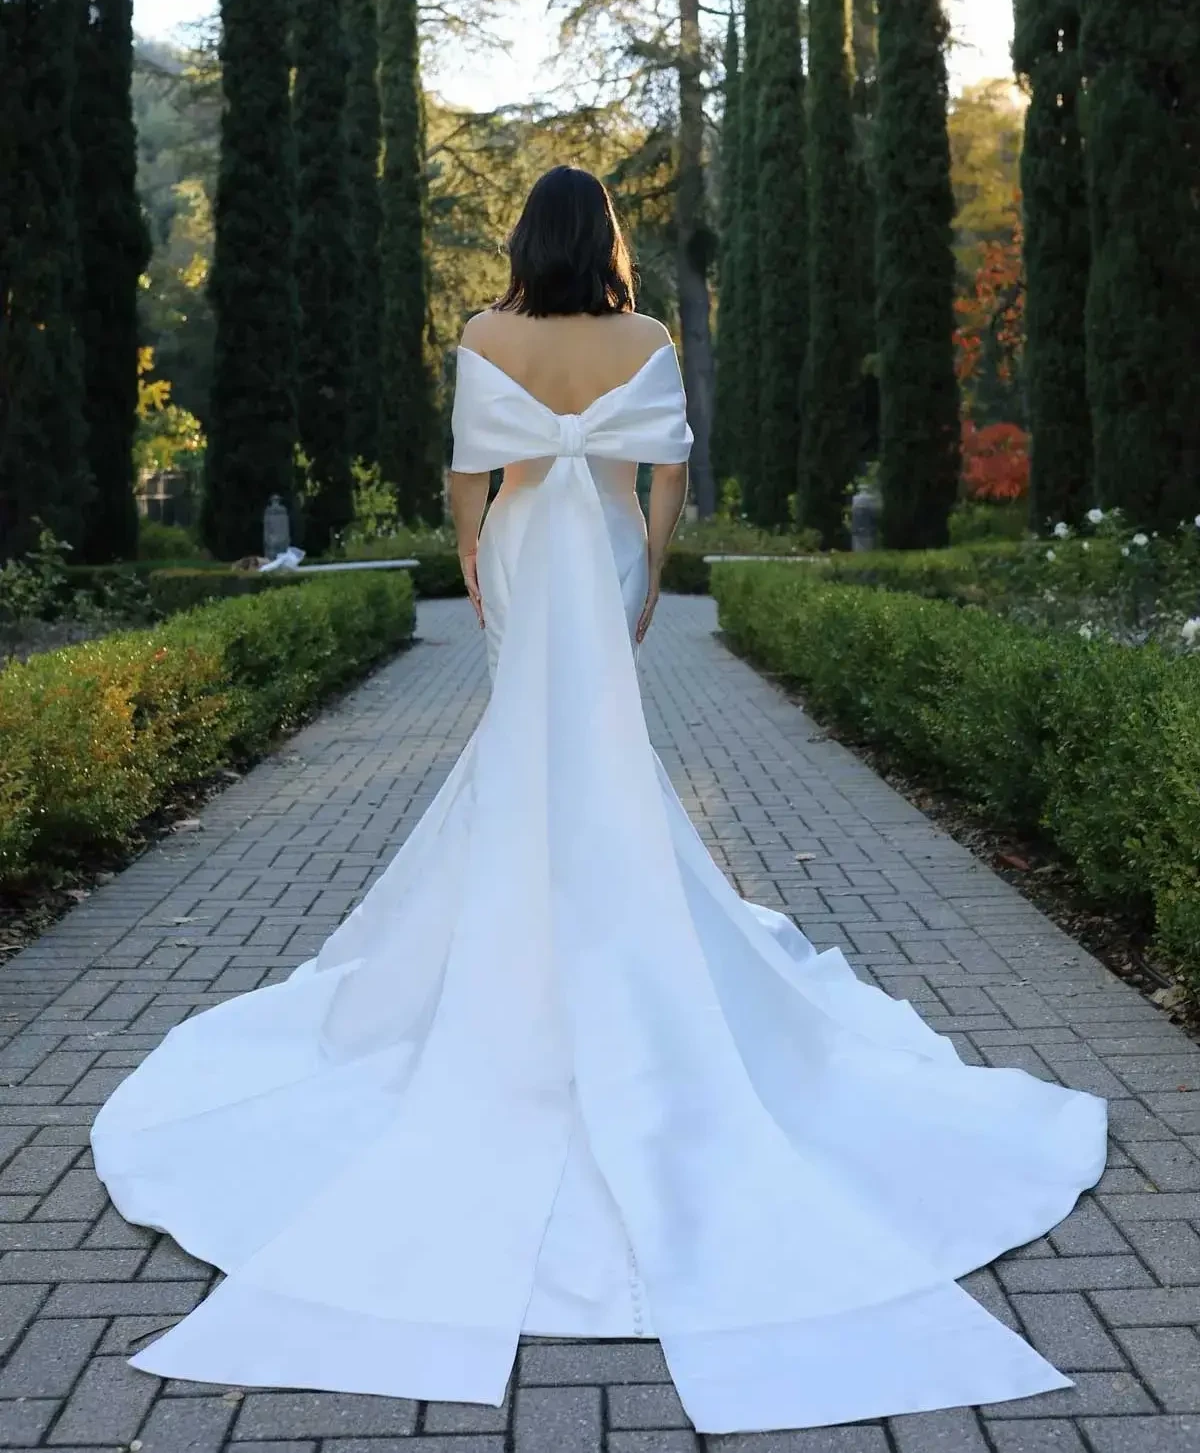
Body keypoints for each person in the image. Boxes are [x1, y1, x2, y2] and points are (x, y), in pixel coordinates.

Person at [90, 166, 1108, 1435]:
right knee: (604, 747)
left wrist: (471, 562)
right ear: (611, 242)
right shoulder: (650, 338)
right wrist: (646, 570)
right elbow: (663, 476)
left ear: (527, 241)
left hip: (524, 548)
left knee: (527, 739)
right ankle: (621, 933)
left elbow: (472, 475)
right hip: (604, 548)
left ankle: (517, 948)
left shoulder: (484, 334)